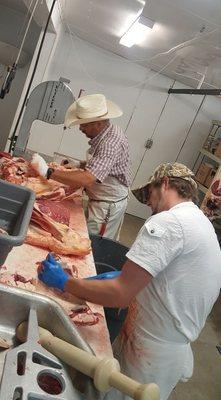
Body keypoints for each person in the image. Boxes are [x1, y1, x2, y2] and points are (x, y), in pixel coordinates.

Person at [37, 162, 221, 400]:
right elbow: (172, 280)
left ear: (164, 184)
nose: (149, 205)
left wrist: (64, 282)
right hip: (168, 348)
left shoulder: (168, 223)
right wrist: (125, 281)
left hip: (148, 353)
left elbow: (120, 295)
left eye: (150, 196)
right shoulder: (199, 222)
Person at [31, 93, 132, 240]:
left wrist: (48, 171)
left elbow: (88, 179)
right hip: (99, 199)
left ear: (98, 122)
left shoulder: (110, 143)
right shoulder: (109, 130)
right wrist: (79, 164)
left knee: (91, 243)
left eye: (84, 124)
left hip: (106, 206)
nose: (81, 128)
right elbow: (105, 164)